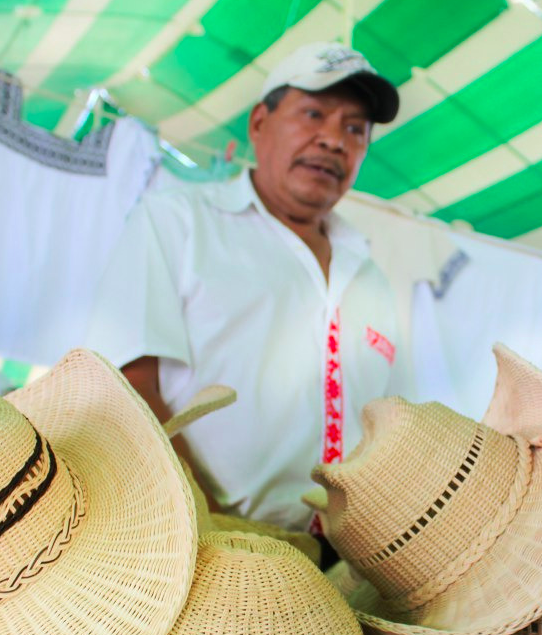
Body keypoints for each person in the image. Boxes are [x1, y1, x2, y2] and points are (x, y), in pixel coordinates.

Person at [87, 42, 401, 540]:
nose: (334, 140)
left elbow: (385, 422)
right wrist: (209, 524)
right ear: (259, 123)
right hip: (197, 537)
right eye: (313, 114)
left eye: (355, 129)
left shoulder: (371, 278)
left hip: (340, 557)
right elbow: (125, 383)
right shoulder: (178, 222)